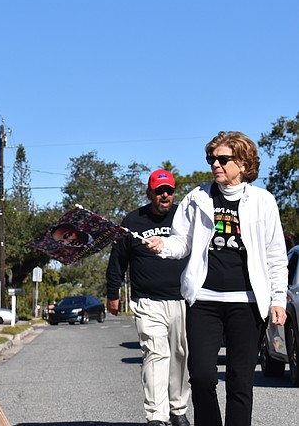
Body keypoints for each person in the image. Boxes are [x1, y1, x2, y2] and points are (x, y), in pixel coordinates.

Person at [145, 132, 287, 426]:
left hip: (247, 303)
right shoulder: (197, 198)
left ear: (243, 163)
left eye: (223, 159)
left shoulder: (263, 201)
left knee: (239, 380)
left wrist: (278, 299)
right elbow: (180, 241)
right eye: (212, 159)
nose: (215, 165)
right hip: (205, 300)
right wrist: (163, 247)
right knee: (202, 375)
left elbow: (276, 255)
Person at [106, 169, 190, 426]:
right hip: (148, 301)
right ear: (149, 192)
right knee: (155, 354)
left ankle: (178, 410)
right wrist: (113, 293)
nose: (165, 195)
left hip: (182, 300)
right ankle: (156, 417)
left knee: (180, 355)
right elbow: (117, 260)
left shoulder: (184, 217)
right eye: (159, 190)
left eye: (169, 191)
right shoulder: (132, 221)